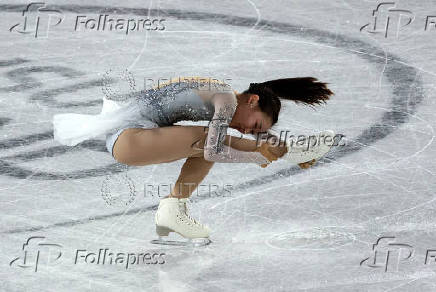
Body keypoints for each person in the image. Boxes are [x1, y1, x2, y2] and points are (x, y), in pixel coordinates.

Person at [53, 76, 334, 246]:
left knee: (207, 141)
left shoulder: (220, 93)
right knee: (208, 140)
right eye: (256, 125)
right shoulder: (224, 99)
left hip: (131, 137)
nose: (248, 130)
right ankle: (291, 151)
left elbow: (210, 149)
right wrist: (257, 153)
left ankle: (172, 210)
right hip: (128, 138)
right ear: (252, 101)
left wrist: (258, 152)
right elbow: (214, 150)